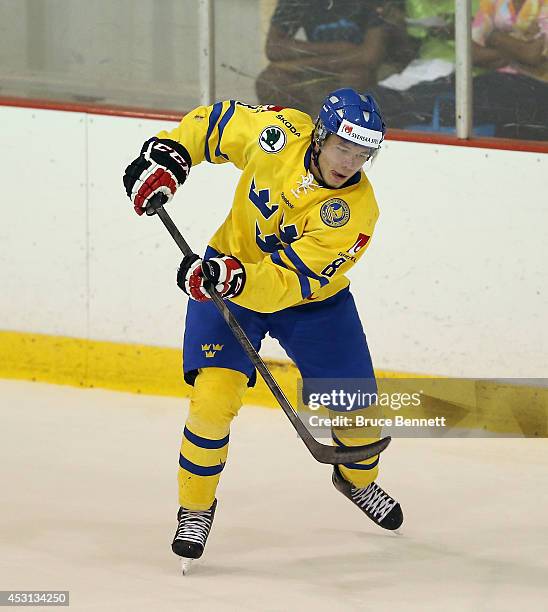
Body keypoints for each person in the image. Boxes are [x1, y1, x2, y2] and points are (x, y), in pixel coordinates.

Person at [122, 88, 403, 572]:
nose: (349, 163)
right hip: (226, 278)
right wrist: (172, 156)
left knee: (358, 413)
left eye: (362, 155)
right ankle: (195, 509)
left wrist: (231, 277)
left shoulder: (358, 212)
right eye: (343, 147)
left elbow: (288, 284)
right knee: (212, 403)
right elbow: (216, 124)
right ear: (319, 136)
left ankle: (357, 481)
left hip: (310, 301)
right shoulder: (280, 134)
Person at [256, 0, 418, 117]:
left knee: (354, 78)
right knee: (271, 81)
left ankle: (343, 139)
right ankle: (288, 136)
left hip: (378, 69)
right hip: (329, 64)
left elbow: (370, 56)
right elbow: (273, 47)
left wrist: (296, 65)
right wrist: (336, 48)